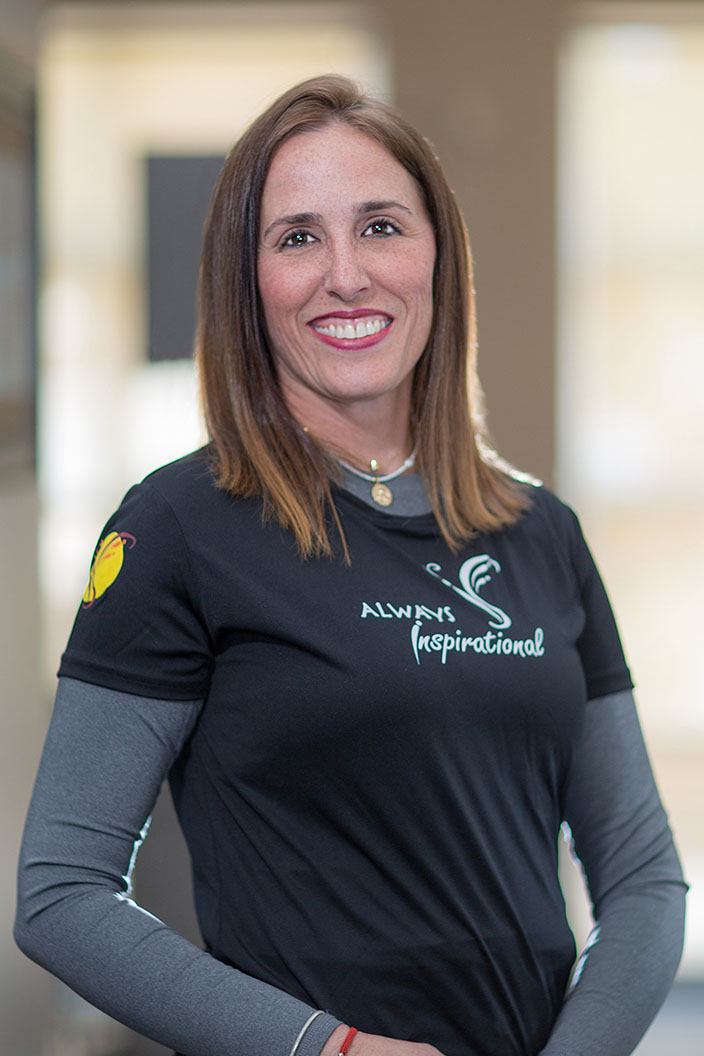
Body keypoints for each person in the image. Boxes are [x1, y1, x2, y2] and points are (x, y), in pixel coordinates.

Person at [15, 74, 686, 1056]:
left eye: (380, 227)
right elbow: (61, 895)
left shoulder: (540, 532)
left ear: (436, 255)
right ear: (246, 282)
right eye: (297, 238)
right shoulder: (177, 529)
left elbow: (642, 876)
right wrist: (328, 1050)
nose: (346, 274)